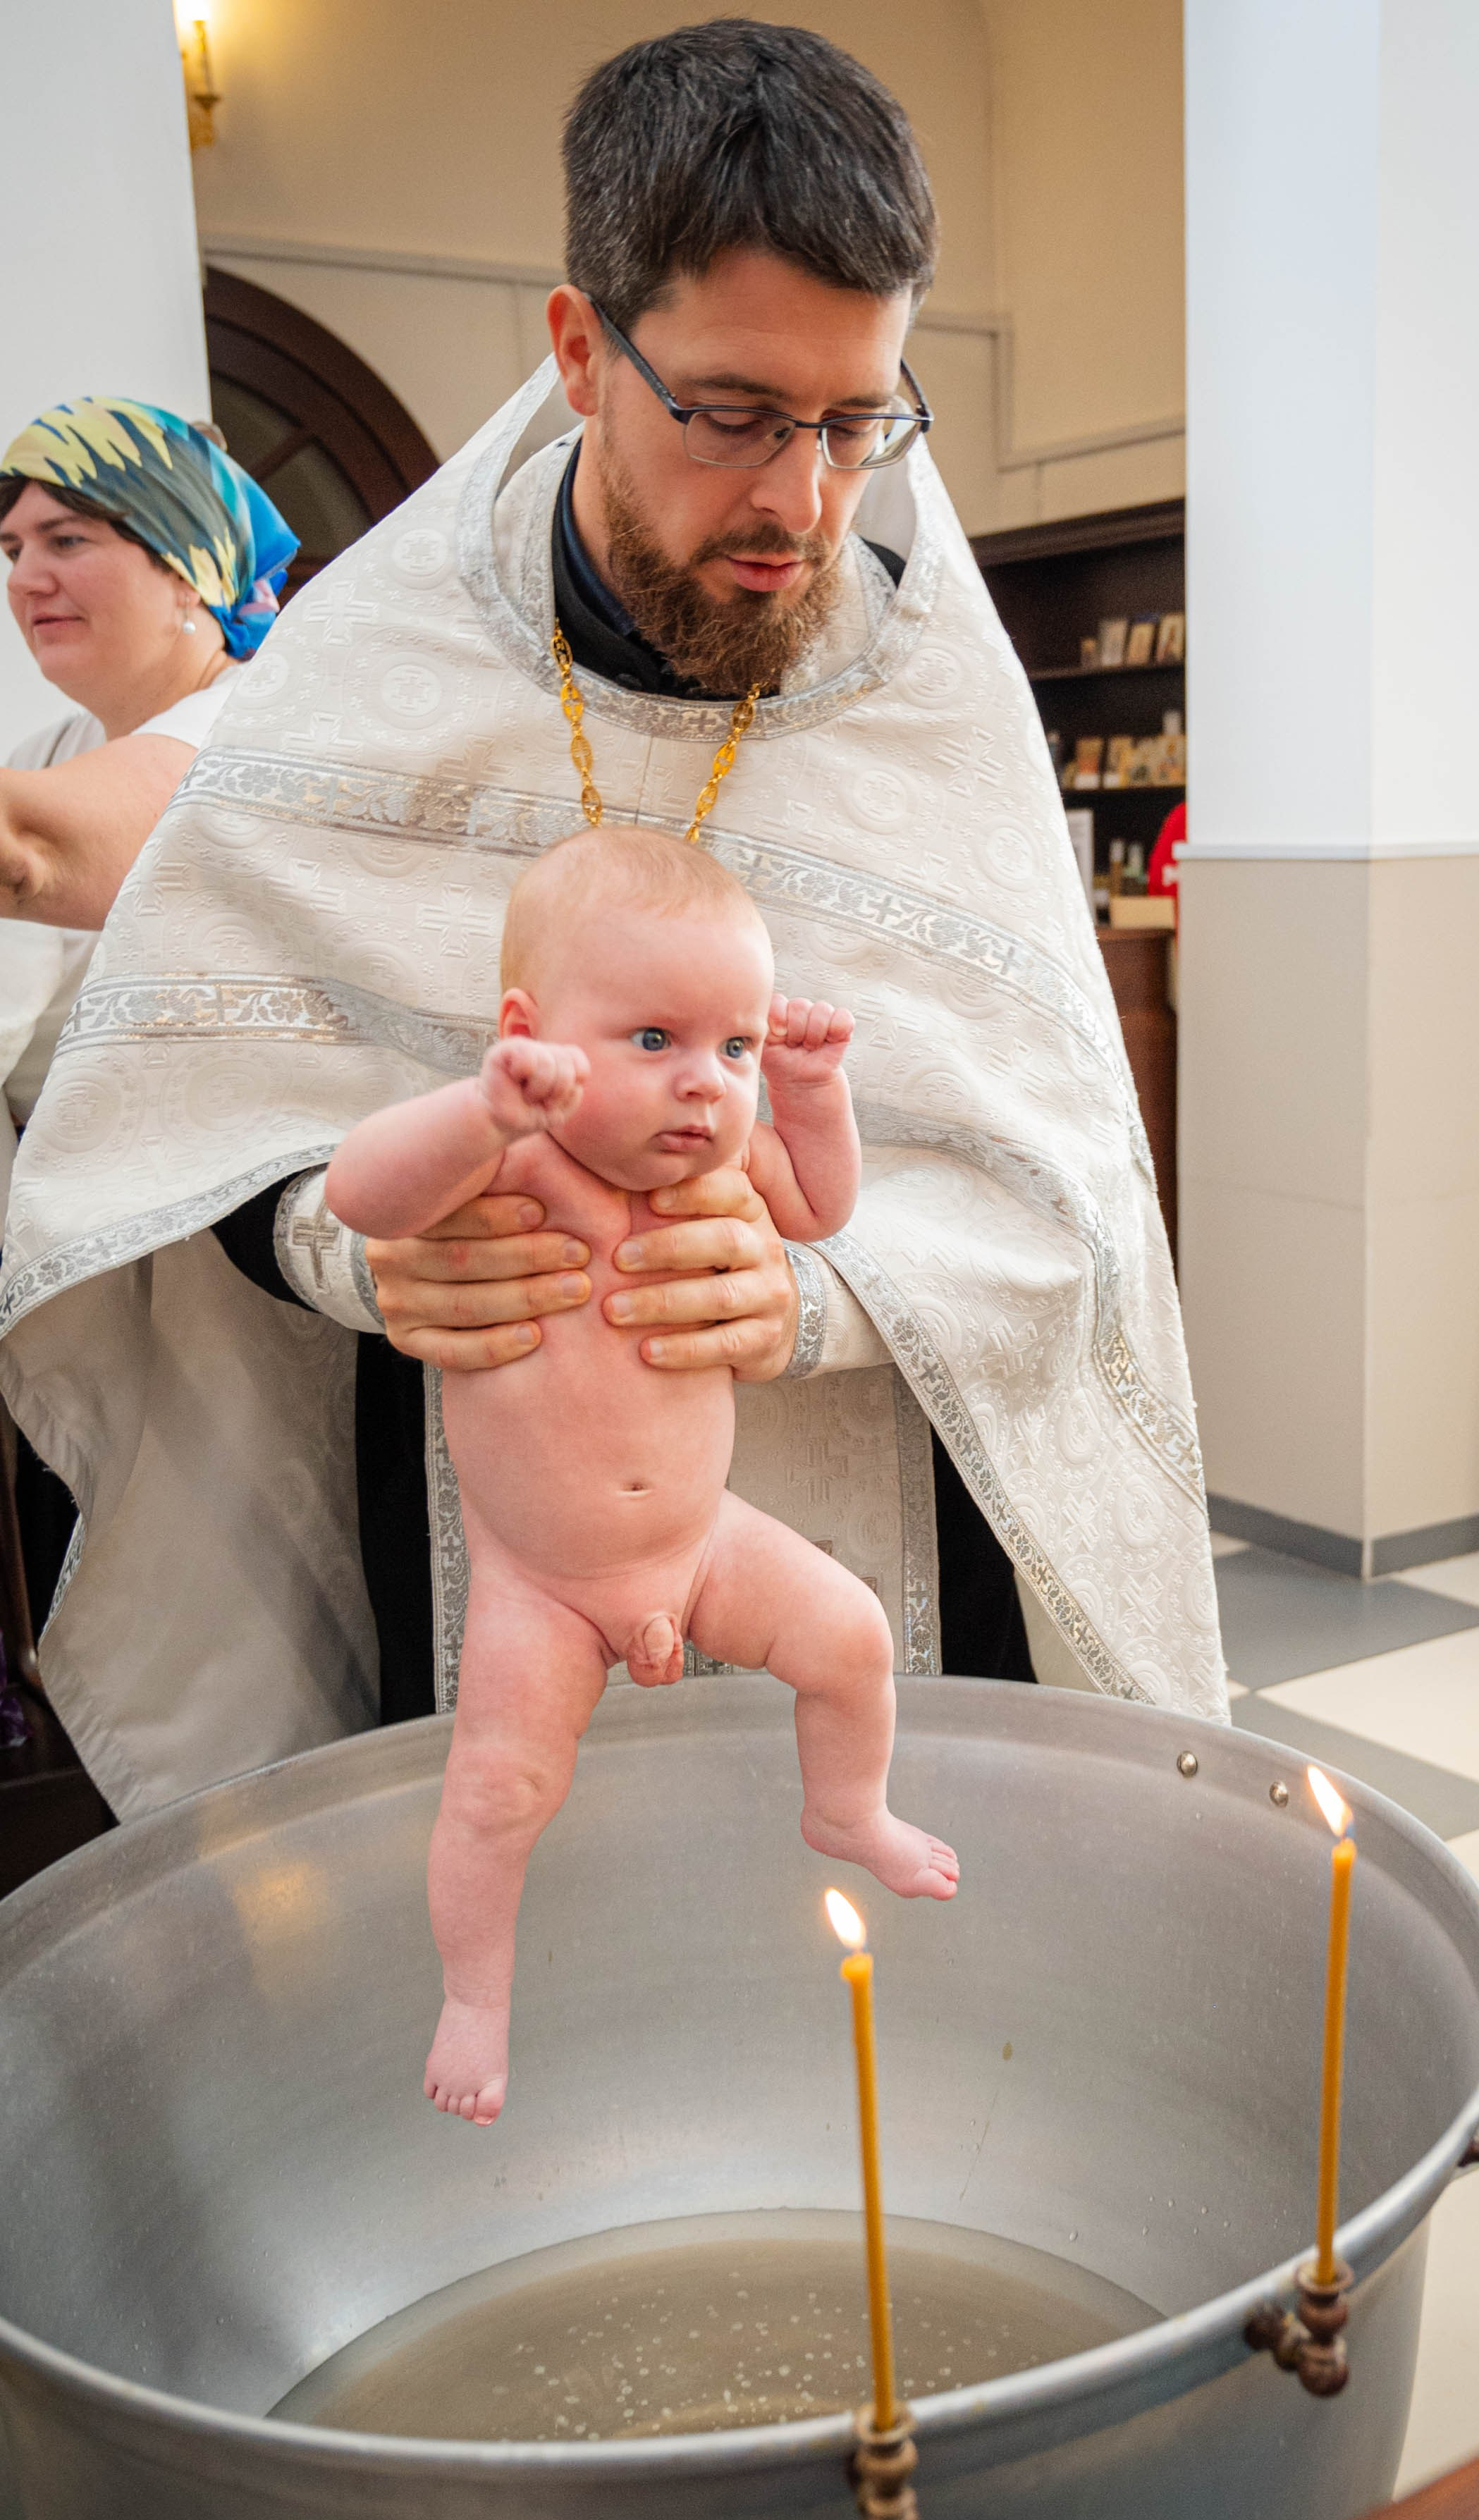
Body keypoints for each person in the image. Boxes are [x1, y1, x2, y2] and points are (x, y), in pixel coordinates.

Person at [0, 21, 1225, 1823]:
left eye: (858, 422)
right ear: (579, 348)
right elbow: (171, 1119)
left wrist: (817, 1290)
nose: (802, 501)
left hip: (874, 1537)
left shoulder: (927, 698)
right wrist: (365, 1257)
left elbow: (1073, 1206)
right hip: (488, 1529)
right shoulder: (368, 675)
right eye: (733, 415)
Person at [329, 827, 957, 2123]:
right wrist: (480, 1109)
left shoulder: (727, 1160)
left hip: (702, 1542)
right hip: (541, 1582)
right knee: (500, 1787)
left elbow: (823, 1210)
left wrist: (809, 1093)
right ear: (529, 1031)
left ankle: (847, 1810)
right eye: (654, 1042)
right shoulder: (507, 1162)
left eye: (731, 1046)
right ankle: (476, 1996)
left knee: (850, 1639)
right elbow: (359, 1193)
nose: (702, 1088)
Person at [0, 398, 297, 1637]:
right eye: (11, 548)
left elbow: (34, 854)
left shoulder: (250, 735)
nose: (27, 575)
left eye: (68, 537)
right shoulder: (64, 739)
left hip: (237, 1293)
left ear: (188, 566)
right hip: (105, 1285)